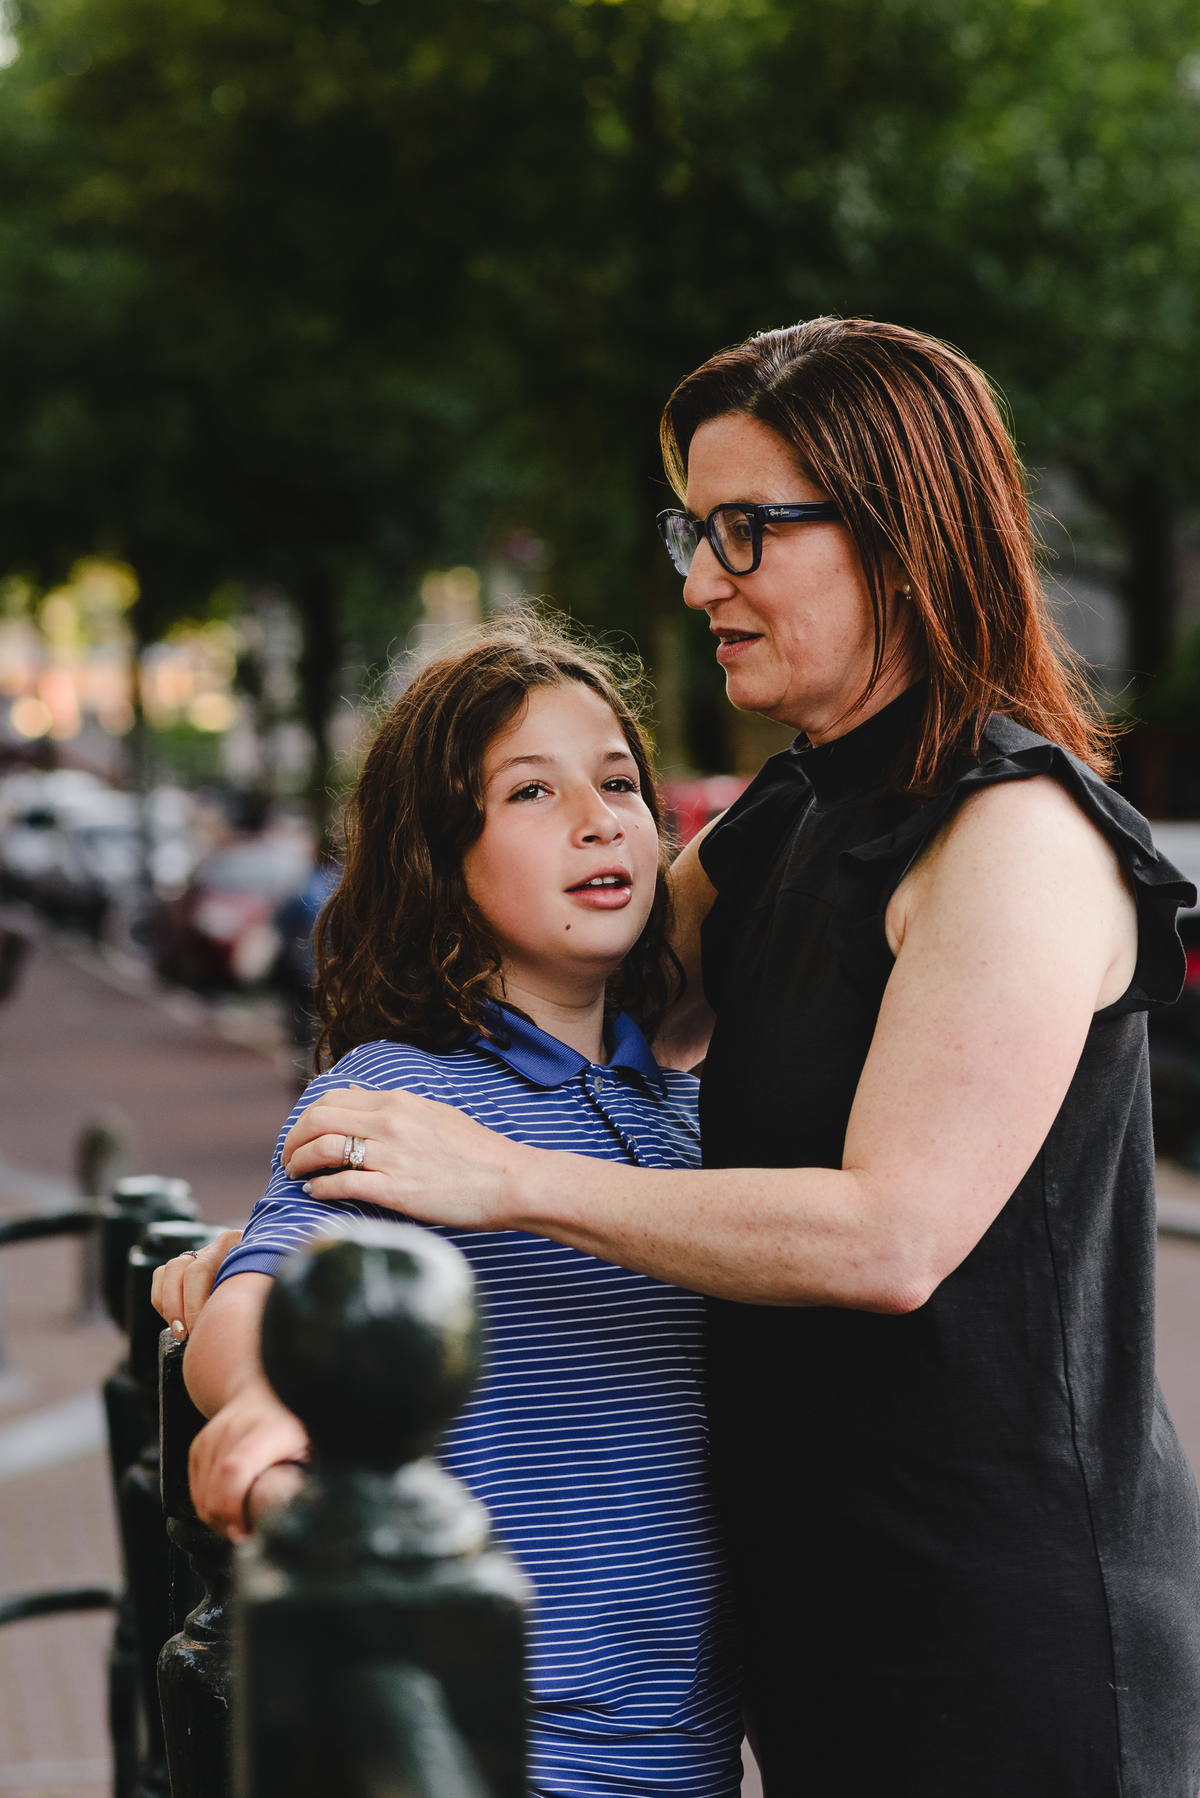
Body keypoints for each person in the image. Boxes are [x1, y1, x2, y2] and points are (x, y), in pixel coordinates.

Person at [271, 319, 1200, 1797]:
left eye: (747, 531)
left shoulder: (1016, 836)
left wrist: (510, 1180)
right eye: (692, 532)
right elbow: (542, 988)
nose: (700, 580)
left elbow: (892, 1231)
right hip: (817, 1627)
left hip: (1003, 1639)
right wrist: (293, 1238)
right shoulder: (790, 820)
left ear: (898, 538)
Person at [154, 619, 743, 1798]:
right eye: (532, 790)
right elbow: (267, 1295)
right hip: (492, 1740)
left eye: (619, 780)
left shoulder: (685, 1113)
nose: (598, 815)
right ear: (441, 854)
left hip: (688, 1746)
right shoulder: (403, 1089)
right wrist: (267, 1404)